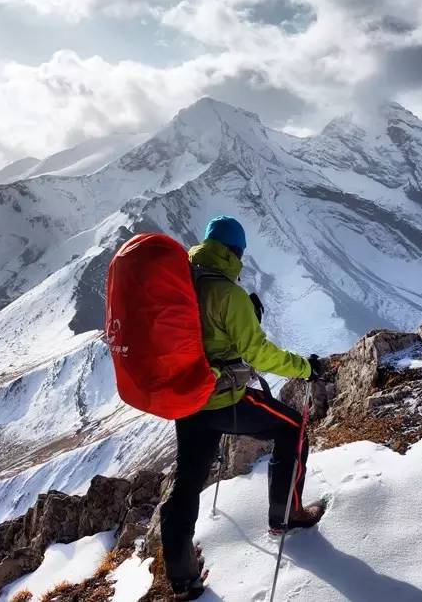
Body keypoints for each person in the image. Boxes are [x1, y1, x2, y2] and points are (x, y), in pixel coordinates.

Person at [160, 215, 328, 600]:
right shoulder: (228, 295)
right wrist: (304, 367)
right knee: (291, 428)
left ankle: (183, 577)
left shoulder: (182, 282)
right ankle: (286, 515)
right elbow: (258, 353)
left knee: (186, 483)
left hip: (187, 401)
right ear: (235, 252)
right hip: (224, 400)